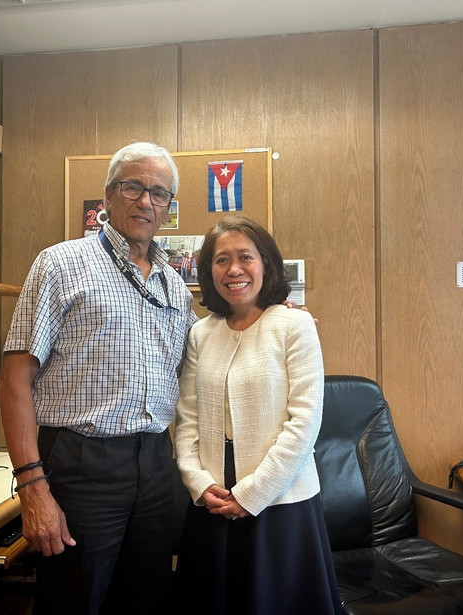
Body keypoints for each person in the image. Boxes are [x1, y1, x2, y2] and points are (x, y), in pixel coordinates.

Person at [0, 141, 196, 615]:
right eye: (133, 187)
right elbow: (13, 380)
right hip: (81, 464)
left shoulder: (174, 285)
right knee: (73, 600)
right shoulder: (60, 264)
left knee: (145, 600)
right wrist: (32, 487)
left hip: (155, 465)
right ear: (108, 196)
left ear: (168, 207)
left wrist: (272, 312)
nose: (146, 201)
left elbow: (205, 355)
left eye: (160, 193)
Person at [174, 215, 342, 615]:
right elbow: (187, 419)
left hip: (281, 501)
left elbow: (304, 422)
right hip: (213, 501)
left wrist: (254, 493)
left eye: (245, 257)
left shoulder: (295, 324)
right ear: (208, 271)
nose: (234, 269)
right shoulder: (200, 333)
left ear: (266, 263)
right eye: (221, 260)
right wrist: (197, 482)